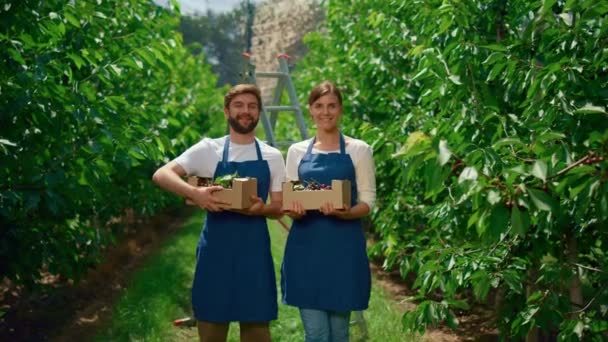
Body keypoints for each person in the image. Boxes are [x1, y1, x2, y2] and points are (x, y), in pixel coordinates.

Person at [152, 84, 285, 342]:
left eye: (252, 106)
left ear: (258, 112)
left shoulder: (272, 156)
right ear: (227, 112)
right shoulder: (208, 149)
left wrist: (261, 209)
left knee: (257, 329)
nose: (245, 111)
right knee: (212, 325)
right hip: (215, 252)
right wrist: (196, 194)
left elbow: (279, 206)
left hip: (254, 253)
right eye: (239, 105)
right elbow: (161, 175)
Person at [281, 81, 376, 342]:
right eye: (319, 106)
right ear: (310, 110)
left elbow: (368, 200)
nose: (326, 112)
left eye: (332, 106)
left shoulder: (359, 150)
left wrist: (347, 213)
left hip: (343, 250)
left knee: (339, 333)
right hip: (305, 249)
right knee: (317, 334)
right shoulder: (297, 152)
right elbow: (291, 199)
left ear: (341, 109)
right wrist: (295, 211)